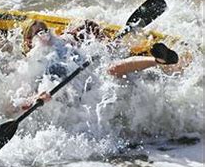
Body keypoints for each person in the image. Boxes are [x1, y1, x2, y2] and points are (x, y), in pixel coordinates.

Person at [19, 19, 179, 108]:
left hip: (90, 79)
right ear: (28, 41)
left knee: (112, 69)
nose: (45, 34)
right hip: (67, 97)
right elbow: (19, 103)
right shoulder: (30, 64)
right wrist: (37, 99)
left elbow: (87, 25)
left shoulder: (62, 41)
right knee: (111, 71)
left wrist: (104, 42)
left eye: (46, 30)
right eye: (39, 33)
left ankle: (159, 60)